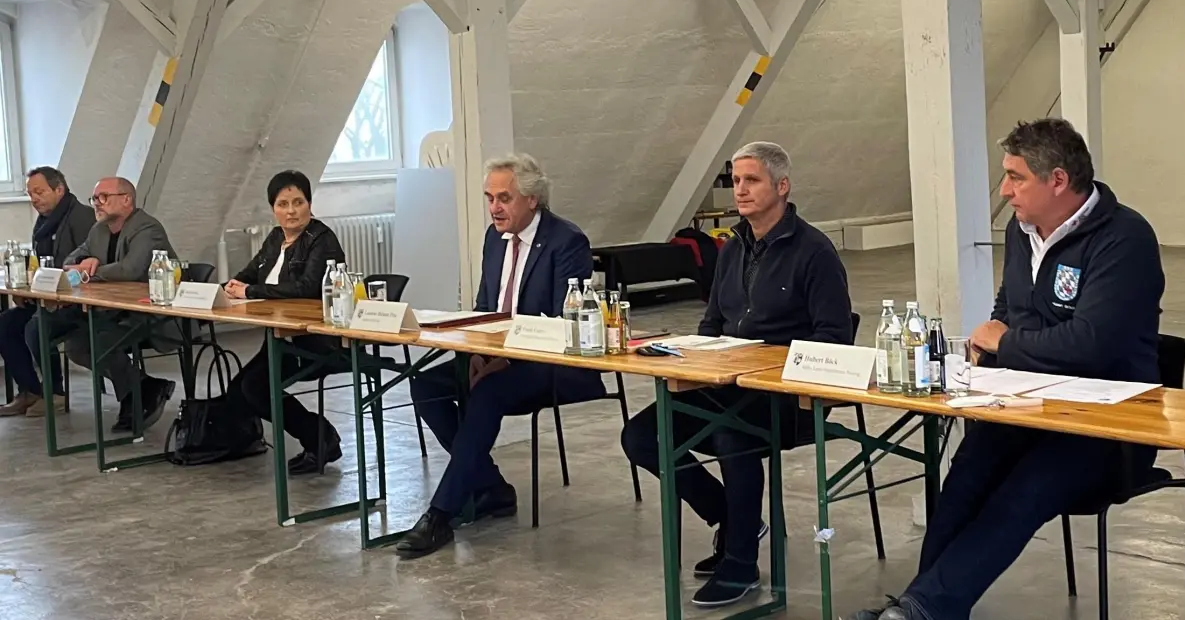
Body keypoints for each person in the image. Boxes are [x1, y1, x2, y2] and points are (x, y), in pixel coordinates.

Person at [848, 119, 1164, 620]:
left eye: (1016, 177)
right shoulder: (1022, 232)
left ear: (1057, 180)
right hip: (1031, 408)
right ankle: (920, 604)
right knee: (967, 474)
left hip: (1108, 427)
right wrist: (994, 330)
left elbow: (1091, 346)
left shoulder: (1125, 239)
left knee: (1024, 489)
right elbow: (1013, 304)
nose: (1005, 190)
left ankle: (924, 609)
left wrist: (1007, 342)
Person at [621, 141, 853, 609]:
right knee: (642, 435)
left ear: (781, 187)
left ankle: (741, 563)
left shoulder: (814, 252)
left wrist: (767, 364)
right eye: (736, 180)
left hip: (784, 396)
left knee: (732, 437)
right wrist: (698, 358)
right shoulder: (731, 248)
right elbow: (712, 323)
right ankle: (731, 517)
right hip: (724, 385)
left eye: (752, 181)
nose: (740, 191)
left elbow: (833, 338)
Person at [396, 154, 605, 559]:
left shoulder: (567, 241)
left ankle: (441, 513)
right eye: (489, 197)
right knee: (427, 386)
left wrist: (504, 360)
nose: (494, 208)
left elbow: (568, 321)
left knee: (488, 393)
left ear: (532, 199)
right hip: (496, 355)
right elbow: (483, 307)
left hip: (555, 363)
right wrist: (475, 351)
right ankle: (491, 487)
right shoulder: (494, 238)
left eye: (504, 198)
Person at [224, 170, 347, 474]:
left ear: (309, 203)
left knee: (255, 388)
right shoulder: (275, 238)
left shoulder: (322, 240)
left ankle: (320, 438)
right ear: (273, 208)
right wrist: (234, 284)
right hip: (282, 338)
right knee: (239, 391)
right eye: (282, 204)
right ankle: (246, 442)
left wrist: (250, 291)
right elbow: (250, 273)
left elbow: (307, 288)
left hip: (316, 341)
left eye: (298, 202)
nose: (291, 211)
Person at [46, 177, 179, 433]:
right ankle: (143, 387)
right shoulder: (100, 229)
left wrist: (87, 274)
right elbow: (73, 258)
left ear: (126, 199)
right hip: (117, 311)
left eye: (103, 197)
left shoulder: (147, 228)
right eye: (94, 198)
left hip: (154, 314)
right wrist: (86, 260)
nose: (97, 203)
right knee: (77, 346)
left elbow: (131, 269)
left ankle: (135, 396)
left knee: (100, 341)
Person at [0, 167, 94, 417]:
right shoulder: (43, 222)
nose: (34, 199)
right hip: (48, 296)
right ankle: (30, 390)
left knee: (36, 326)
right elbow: (43, 265)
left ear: (59, 190)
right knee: (6, 323)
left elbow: (88, 265)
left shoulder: (81, 217)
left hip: (75, 301)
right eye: (30, 194)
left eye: (39, 192)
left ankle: (56, 393)